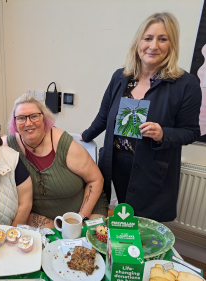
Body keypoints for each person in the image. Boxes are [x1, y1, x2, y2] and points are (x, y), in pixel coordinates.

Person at [81, 13, 202, 222]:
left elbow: (191, 132)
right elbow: (103, 115)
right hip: (115, 163)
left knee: (141, 228)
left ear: (171, 45)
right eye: (148, 38)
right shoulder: (121, 77)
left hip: (150, 168)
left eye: (162, 39)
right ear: (139, 42)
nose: (153, 46)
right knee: (111, 219)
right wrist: (81, 137)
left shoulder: (186, 84)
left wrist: (163, 133)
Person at [3, 94, 108, 229]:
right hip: (44, 218)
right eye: (21, 118)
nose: (28, 123)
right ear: (15, 123)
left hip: (85, 211)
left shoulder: (64, 144)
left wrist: (80, 218)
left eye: (34, 116)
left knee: (87, 245)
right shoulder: (9, 144)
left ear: (44, 118)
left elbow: (96, 180)